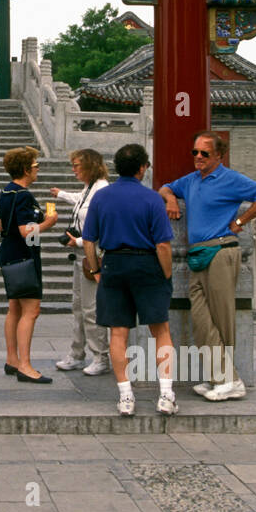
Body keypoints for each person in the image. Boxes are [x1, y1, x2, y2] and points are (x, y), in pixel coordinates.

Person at [158, 131, 256, 402]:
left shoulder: (230, 179)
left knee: (221, 319)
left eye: (204, 153)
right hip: (197, 255)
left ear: (219, 156)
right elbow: (165, 187)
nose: (198, 157)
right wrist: (172, 198)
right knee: (201, 320)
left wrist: (241, 221)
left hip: (221, 251)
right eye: (195, 152)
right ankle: (217, 376)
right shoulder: (190, 181)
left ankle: (230, 380)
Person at [82, 144, 178, 417]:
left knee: (118, 333)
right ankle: (166, 394)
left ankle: (125, 396)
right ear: (142, 168)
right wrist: (166, 273)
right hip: (147, 264)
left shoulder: (102, 198)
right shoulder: (151, 200)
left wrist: (96, 269)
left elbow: (89, 240)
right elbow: (163, 245)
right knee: (161, 330)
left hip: (113, 264)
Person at [0, 146, 57, 382]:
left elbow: (1, 226)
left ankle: (12, 359)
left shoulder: (7, 191)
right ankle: (25, 365)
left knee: (15, 307)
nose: (37, 169)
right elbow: (27, 232)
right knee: (31, 310)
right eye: (34, 166)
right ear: (25, 169)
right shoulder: (23, 195)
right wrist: (48, 223)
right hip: (24, 255)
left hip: (9, 252)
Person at [51, 149, 111, 376]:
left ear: (90, 166)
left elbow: (102, 227)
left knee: (91, 309)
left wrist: (77, 241)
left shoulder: (102, 189)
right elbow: (79, 200)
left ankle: (100, 355)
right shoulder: (88, 188)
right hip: (79, 256)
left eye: (77, 166)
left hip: (92, 255)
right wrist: (62, 194)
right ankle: (77, 353)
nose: (74, 170)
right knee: (78, 307)